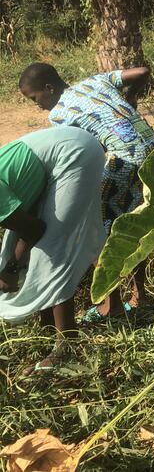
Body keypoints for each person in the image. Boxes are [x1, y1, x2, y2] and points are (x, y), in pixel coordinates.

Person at [18, 63, 154, 322]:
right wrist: (130, 97)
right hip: (152, 151)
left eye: (35, 98)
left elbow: (79, 153)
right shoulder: (95, 81)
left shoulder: (60, 114)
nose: (36, 104)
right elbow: (141, 72)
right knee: (137, 224)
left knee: (97, 230)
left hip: (123, 161)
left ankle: (112, 303)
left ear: (49, 88)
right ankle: (139, 296)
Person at [0, 126, 107, 370]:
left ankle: (66, 346)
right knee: (11, 247)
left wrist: (11, 269)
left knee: (51, 251)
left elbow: (34, 229)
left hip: (75, 153)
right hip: (54, 158)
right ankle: (47, 327)